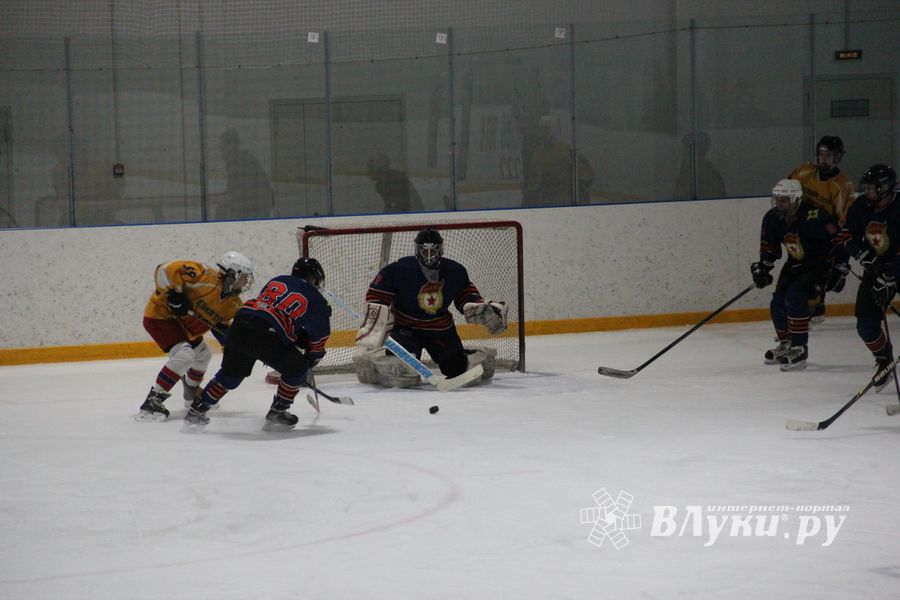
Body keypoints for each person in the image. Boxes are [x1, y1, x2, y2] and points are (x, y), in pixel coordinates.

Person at [184, 258, 331, 431]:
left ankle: (196, 411)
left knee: (230, 376)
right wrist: (312, 358)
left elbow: (269, 307)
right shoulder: (318, 301)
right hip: (267, 333)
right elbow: (319, 337)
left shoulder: (278, 280)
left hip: (240, 323)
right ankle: (278, 412)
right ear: (314, 279)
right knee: (298, 368)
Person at [353, 228, 508, 388]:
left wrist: (477, 307)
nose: (429, 255)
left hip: (440, 329)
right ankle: (372, 361)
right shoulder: (399, 269)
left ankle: (478, 356)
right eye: (423, 250)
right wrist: (377, 319)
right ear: (416, 249)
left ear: (441, 249)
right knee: (402, 370)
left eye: (433, 250)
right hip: (406, 328)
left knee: (457, 367)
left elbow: (466, 295)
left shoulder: (455, 271)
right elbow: (376, 293)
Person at [138, 251, 255, 420]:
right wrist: (175, 294)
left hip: (184, 329)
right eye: (243, 276)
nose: (245, 281)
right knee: (185, 354)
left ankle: (191, 391)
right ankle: (153, 400)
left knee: (203, 354)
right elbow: (164, 269)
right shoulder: (204, 276)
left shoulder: (233, 304)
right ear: (231, 273)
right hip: (160, 317)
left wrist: (234, 345)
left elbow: (219, 327)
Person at [751, 178, 847, 371]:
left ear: (796, 200)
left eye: (784, 200)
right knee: (777, 302)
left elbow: (839, 240)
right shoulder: (772, 217)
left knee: (794, 297)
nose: (779, 203)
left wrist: (840, 268)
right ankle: (786, 344)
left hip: (818, 265)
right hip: (794, 264)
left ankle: (799, 348)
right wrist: (764, 266)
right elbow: (770, 245)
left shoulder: (815, 216)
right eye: (777, 199)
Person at [843, 164, 900, 391]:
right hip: (876, 270)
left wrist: (892, 274)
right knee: (866, 325)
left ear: (885, 188)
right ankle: (885, 361)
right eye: (865, 188)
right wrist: (864, 255)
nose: (868, 192)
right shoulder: (861, 206)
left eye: (872, 188)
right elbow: (847, 237)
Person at [788, 135, 855, 323]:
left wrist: (842, 257)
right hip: (800, 230)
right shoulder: (804, 172)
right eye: (822, 154)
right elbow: (787, 191)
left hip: (822, 235)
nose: (824, 159)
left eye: (829, 155)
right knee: (796, 269)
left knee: (816, 272)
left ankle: (814, 306)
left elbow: (843, 220)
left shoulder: (842, 185)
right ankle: (805, 309)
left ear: (838, 157)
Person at [218, 129, 275, 220]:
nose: (222, 150)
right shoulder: (241, 159)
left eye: (223, 146)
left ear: (232, 145)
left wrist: (235, 216)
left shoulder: (238, 162)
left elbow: (239, 192)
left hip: (256, 209)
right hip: (258, 207)